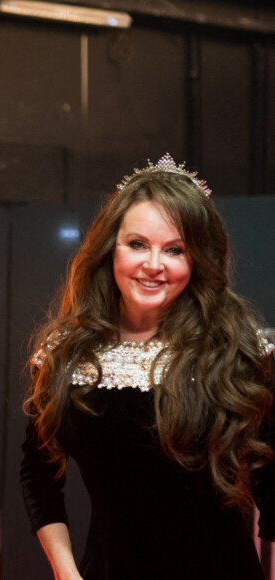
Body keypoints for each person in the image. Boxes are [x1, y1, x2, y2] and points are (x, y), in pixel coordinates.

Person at [20, 154, 275, 580]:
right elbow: (39, 477)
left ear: (197, 261)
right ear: (110, 249)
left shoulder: (239, 354)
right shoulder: (65, 352)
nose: (153, 265)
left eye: (174, 249)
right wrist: (67, 574)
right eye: (138, 244)